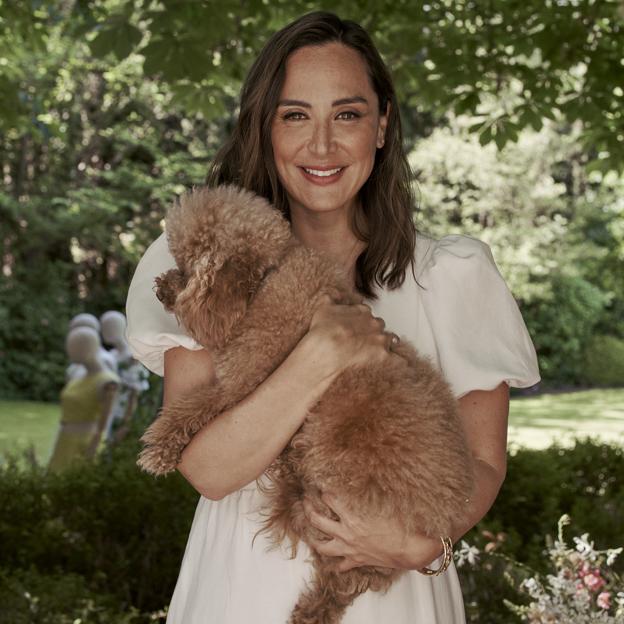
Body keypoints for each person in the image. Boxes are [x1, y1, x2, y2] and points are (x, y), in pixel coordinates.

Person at [125, 11, 540, 623]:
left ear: (382, 125)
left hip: (394, 592)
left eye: (346, 114)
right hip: (242, 586)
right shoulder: (206, 257)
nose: (321, 145)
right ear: (263, 129)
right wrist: (319, 357)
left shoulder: (452, 273)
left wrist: (421, 545)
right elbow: (210, 472)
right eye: (295, 115)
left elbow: (483, 462)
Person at [48, 326, 119, 472]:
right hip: (65, 439)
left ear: (88, 347)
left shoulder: (107, 382)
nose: (70, 351)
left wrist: (93, 448)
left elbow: (103, 425)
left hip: (85, 441)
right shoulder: (76, 375)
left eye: (74, 347)